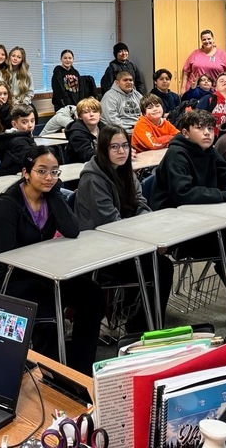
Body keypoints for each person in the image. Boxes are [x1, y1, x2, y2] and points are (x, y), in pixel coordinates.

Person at [0, 147, 103, 374]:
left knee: (92, 295)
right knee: (47, 312)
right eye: (42, 171)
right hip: (8, 277)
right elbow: (8, 254)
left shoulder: (51, 197)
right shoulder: (7, 204)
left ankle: (80, 369)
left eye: (55, 172)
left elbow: (72, 229)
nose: (49, 177)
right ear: (26, 173)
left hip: (44, 272)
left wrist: (55, 193)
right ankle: (52, 379)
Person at [149, 110, 226, 327]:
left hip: (205, 221)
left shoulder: (208, 151)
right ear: (185, 132)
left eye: (210, 129)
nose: (207, 134)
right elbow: (183, 194)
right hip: (176, 229)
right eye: (199, 128)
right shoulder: (177, 154)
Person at [76, 125, 172, 329]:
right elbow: (111, 223)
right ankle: (144, 326)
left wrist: (151, 234)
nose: (122, 151)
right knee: (160, 267)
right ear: (103, 149)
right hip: (101, 251)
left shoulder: (126, 171)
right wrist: (149, 242)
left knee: (162, 264)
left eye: (125, 146)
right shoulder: (92, 179)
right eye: (114, 147)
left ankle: (146, 323)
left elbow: (141, 204)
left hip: (127, 243)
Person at [0, 105, 38, 176]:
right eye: (24, 122)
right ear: (14, 124)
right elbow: (33, 161)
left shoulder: (25, 136)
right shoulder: (17, 142)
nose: (30, 125)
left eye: (32, 121)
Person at [65, 97, 102, 163]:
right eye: (86, 112)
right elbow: (87, 155)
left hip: (100, 164)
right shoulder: (76, 134)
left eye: (95, 111)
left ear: (100, 115)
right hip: (80, 168)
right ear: (80, 116)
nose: (91, 114)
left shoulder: (105, 129)